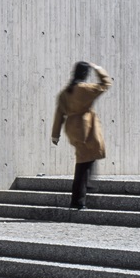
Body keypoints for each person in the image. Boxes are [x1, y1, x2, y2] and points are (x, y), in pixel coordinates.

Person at [50, 61, 113, 209]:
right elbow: (106, 84)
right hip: (86, 127)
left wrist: (55, 134)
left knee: (86, 159)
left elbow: (59, 113)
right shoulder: (84, 89)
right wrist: (98, 68)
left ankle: (87, 186)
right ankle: (79, 199)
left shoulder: (66, 92)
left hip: (72, 127)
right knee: (84, 163)